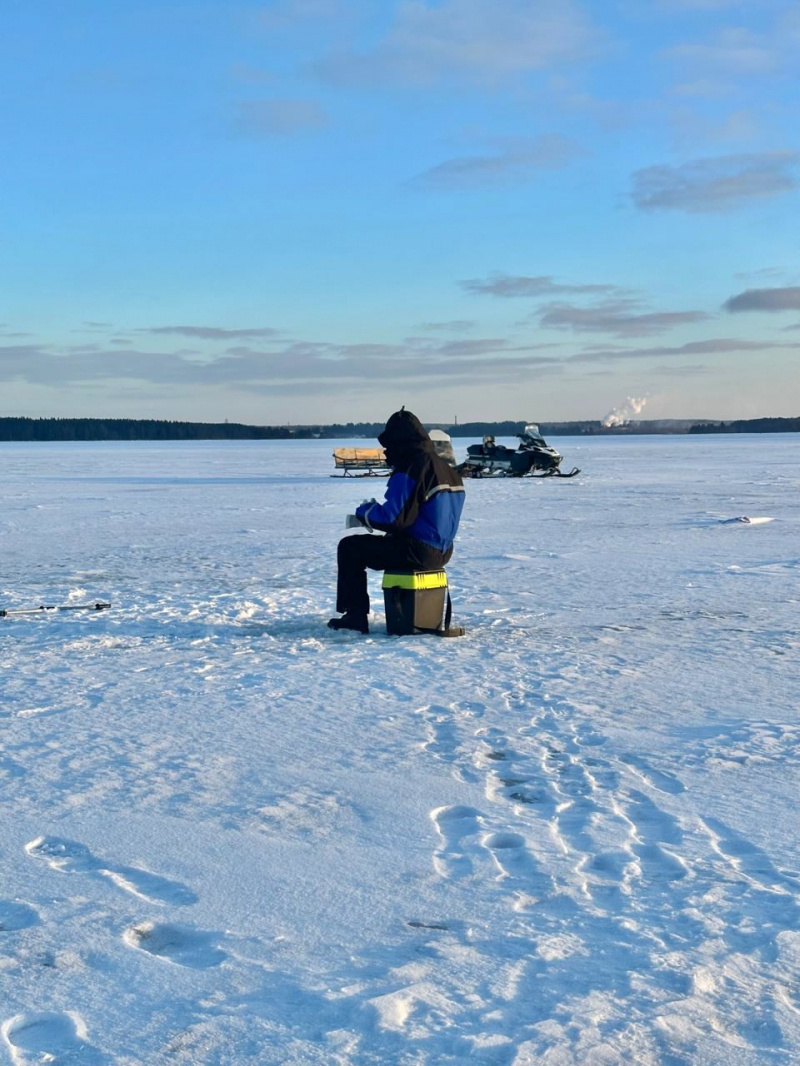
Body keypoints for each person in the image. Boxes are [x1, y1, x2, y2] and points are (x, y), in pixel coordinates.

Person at [328, 408, 465, 633]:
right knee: (379, 544)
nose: (387, 451)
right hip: (443, 552)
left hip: (417, 551)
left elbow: (394, 518)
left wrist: (365, 512)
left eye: (389, 445)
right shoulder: (447, 470)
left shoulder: (413, 467)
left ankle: (355, 616)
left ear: (399, 442)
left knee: (350, 548)